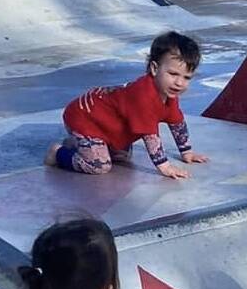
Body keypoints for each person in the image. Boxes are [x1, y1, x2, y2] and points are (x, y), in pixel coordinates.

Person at [44, 31, 209, 179]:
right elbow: (150, 136)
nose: (179, 82)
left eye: (186, 77)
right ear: (154, 68)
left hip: (106, 124)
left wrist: (186, 152)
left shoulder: (168, 94)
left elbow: (177, 123)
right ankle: (58, 153)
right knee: (99, 166)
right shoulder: (143, 95)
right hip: (84, 117)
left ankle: (79, 144)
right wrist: (165, 166)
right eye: (172, 74)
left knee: (122, 157)